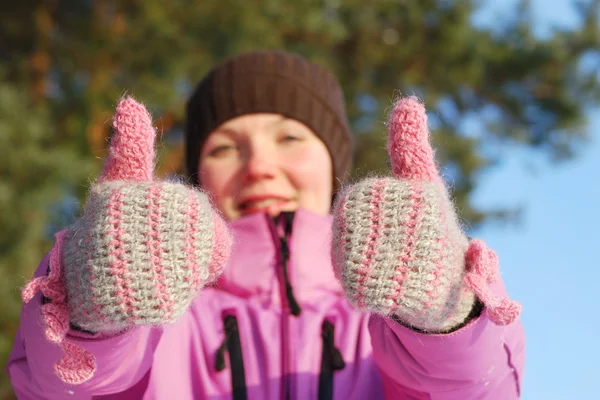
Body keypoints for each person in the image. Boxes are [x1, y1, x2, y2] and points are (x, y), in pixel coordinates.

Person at [8, 50, 525, 399]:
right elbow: (57, 389)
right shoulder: (157, 323)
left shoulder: (389, 320)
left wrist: (445, 317)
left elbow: (478, 388)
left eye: (290, 139)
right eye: (227, 147)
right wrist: (93, 321)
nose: (259, 166)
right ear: (197, 176)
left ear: (334, 167)